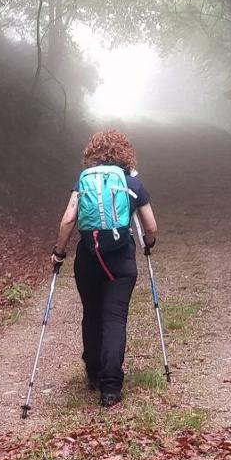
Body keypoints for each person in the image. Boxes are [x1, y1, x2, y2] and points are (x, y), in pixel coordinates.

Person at [50, 129, 158, 406]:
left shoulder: (83, 181)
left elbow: (67, 221)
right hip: (121, 261)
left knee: (92, 314)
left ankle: (94, 372)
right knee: (115, 318)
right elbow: (151, 226)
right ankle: (111, 387)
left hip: (89, 259)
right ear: (125, 153)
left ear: (92, 154)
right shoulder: (132, 184)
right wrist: (149, 243)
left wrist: (58, 253)